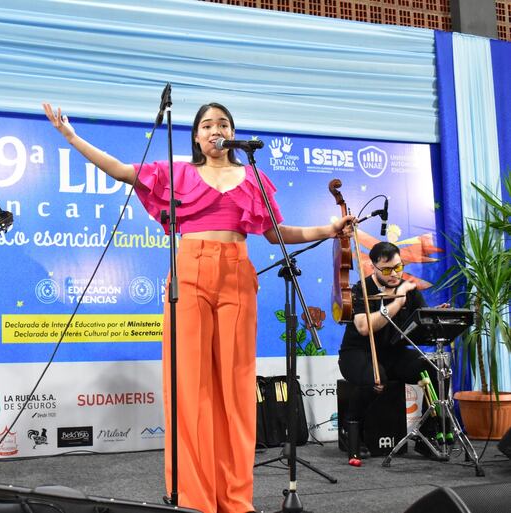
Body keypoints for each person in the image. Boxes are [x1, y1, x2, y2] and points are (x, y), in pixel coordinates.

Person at [43, 102, 353, 513]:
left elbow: (280, 233)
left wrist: (328, 229)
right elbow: (120, 170)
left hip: (237, 274)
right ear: (195, 135)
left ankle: (235, 499)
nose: (215, 129)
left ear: (232, 133)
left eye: (223, 123)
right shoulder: (178, 173)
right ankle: (196, 499)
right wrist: (71, 136)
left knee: (236, 387)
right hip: (189, 271)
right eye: (207, 124)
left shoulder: (253, 176)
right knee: (191, 388)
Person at [338, 241, 446, 460]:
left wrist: (435, 316)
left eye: (398, 267)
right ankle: (351, 428)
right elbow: (363, 327)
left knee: (434, 369)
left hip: (393, 353)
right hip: (358, 353)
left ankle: (428, 436)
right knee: (375, 380)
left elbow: (419, 321)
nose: (394, 274)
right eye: (387, 270)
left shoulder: (409, 288)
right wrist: (398, 300)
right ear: (374, 267)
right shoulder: (361, 289)